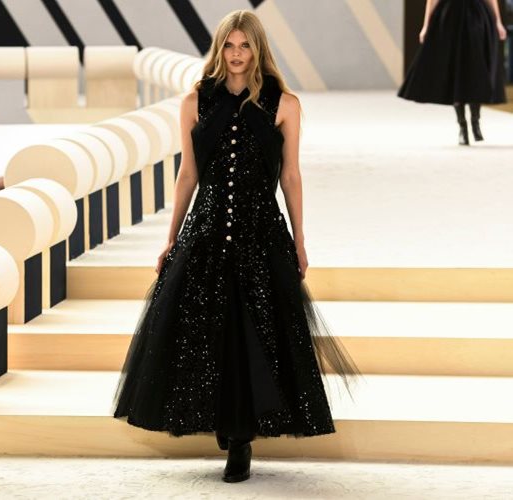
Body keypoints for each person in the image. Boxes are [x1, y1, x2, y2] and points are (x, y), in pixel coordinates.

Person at [112, 9, 360, 483]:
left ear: (258, 48)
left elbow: (291, 175)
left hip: (261, 233)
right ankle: (229, 425)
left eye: (245, 45)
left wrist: (300, 239)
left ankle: (241, 439)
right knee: (209, 335)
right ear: (219, 48)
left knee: (255, 336)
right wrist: (171, 237)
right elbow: (188, 174)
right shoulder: (195, 102)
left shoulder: (284, 104)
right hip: (206, 231)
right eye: (229, 45)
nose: (237, 54)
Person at [398, 0, 507, 145]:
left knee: (477, 70)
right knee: (456, 71)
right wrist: (426, 25)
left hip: (477, 15)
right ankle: (462, 126)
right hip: (450, 16)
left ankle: (475, 120)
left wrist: (498, 21)